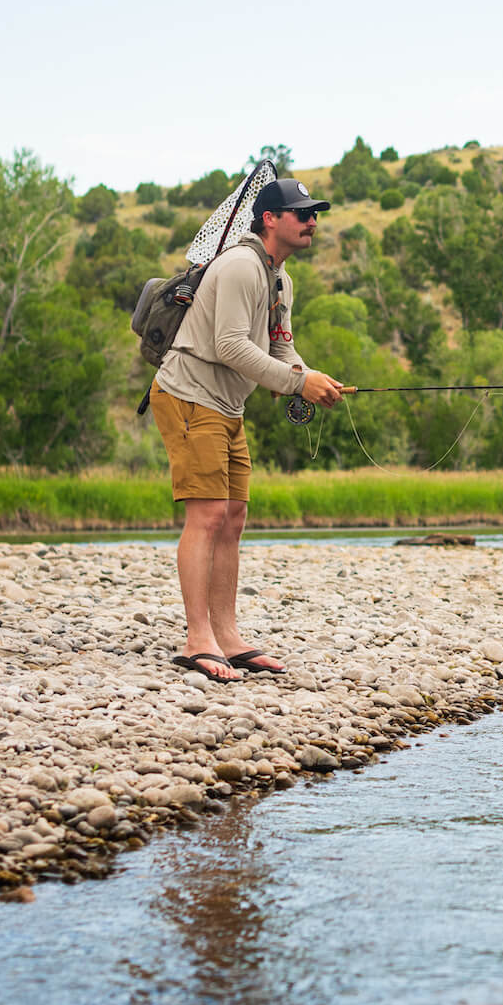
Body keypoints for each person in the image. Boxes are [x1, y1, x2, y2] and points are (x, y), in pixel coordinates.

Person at [148, 178, 345, 683]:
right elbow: (232, 345)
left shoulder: (281, 280)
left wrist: (305, 377)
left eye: (314, 213)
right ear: (269, 219)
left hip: (226, 405)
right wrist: (298, 384)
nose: (311, 222)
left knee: (233, 516)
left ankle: (228, 636)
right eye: (301, 213)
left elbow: (281, 348)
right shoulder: (238, 266)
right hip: (189, 394)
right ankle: (198, 640)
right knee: (209, 515)